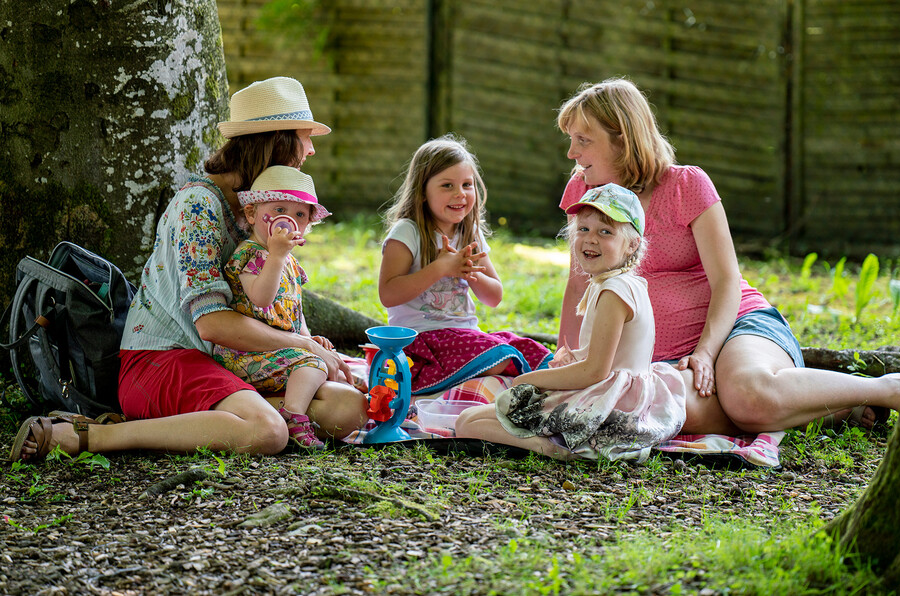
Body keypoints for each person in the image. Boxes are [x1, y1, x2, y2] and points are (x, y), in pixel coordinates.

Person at [9, 76, 368, 462]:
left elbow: (273, 297)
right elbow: (211, 324)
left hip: (230, 362)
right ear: (276, 142)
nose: (311, 149)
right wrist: (301, 345)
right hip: (165, 361)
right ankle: (91, 435)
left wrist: (311, 347)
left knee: (347, 407)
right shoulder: (199, 205)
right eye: (304, 137)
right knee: (269, 431)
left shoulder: (263, 211)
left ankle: (227, 419)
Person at [555, 78, 900, 435]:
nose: (572, 153)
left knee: (747, 396)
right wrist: (566, 354)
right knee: (660, 413)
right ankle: (835, 409)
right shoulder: (582, 192)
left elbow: (726, 281)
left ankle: (886, 388)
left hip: (735, 328)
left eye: (583, 140)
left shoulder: (686, 185)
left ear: (623, 140)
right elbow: (578, 284)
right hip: (663, 360)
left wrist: (706, 353)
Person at [455, 184, 685, 461]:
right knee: (475, 417)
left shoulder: (614, 291)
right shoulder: (623, 283)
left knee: (468, 422)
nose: (591, 239)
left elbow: (595, 372)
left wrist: (528, 379)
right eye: (583, 229)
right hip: (619, 399)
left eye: (605, 232)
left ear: (632, 244)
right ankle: (556, 441)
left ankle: (556, 449)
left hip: (607, 407)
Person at [378, 135, 552, 395]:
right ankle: (509, 385)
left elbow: (494, 297)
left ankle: (524, 385)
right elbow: (388, 294)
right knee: (501, 356)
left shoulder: (470, 233)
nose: (460, 194)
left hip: (465, 338)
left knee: (539, 356)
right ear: (422, 192)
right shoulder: (408, 232)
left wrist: (470, 272)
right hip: (423, 342)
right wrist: (440, 268)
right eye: (447, 185)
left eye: (467, 185)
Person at [214, 165, 364, 450]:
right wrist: (276, 257)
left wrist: (308, 339)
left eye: (300, 214)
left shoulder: (288, 260)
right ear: (251, 214)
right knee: (313, 363)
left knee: (323, 359)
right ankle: (294, 417)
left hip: (279, 351)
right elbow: (261, 298)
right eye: (280, 209)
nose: (289, 220)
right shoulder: (250, 255)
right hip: (245, 354)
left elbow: (294, 309)